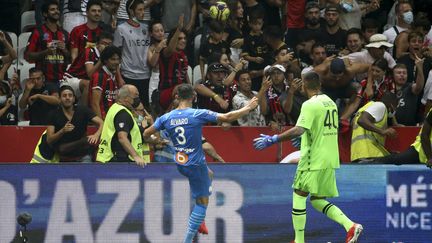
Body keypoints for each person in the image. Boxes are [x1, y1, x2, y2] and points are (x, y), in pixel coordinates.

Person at [252, 71, 363, 243]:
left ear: (305, 85)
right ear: (319, 85)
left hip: (314, 158)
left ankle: (299, 240)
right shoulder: (330, 102)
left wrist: (274, 139)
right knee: (317, 200)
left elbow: (299, 129)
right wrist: (303, 138)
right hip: (330, 158)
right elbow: (317, 129)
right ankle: (350, 226)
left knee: (299, 193)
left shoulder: (310, 104)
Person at [143, 83, 258, 243]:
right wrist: (249, 107)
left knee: (210, 174)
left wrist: (158, 140)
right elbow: (227, 117)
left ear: (177, 97)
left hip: (181, 162)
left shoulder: (166, 117)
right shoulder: (197, 113)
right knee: (202, 203)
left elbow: (146, 134)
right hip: (195, 164)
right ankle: (189, 238)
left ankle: (200, 218)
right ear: (194, 97)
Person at [43, 85, 103, 162]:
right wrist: (62, 131)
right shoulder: (53, 114)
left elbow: (101, 122)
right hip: (64, 157)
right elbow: (49, 140)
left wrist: (96, 135)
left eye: (70, 95)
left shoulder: (83, 110)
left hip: (83, 155)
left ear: (74, 99)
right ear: (60, 99)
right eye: (64, 96)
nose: (67, 98)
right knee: (62, 148)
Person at [97, 84, 149, 163]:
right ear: (126, 98)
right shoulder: (123, 113)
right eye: (135, 96)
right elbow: (122, 138)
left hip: (108, 158)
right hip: (120, 160)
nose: (137, 99)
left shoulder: (115, 107)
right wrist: (135, 156)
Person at [114, 0, 152, 109]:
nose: (143, 12)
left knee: (144, 108)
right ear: (131, 11)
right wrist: (119, 76)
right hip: (128, 75)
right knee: (129, 107)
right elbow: (116, 55)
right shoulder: (121, 29)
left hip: (145, 75)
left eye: (143, 9)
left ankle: (144, 126)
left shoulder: (147, 29)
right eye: (139, 10)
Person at [25, 0, 69, 84]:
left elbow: (71, 58)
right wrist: (46, 52)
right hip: (44, 81)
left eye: (57, 9)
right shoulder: (38, 32)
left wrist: (65, 50)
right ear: (45, 14)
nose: (56, 11)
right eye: (52, 9)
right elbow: (28, 56)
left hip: (63, 79)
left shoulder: (65, 34)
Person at [351, 92, 398, 161]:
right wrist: (383, 131)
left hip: (358, 155)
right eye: (395, 107)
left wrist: (388, 152)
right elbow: (362, 120)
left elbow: (369, 136)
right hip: (369, 155)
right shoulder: (380, 106)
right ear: (391, 105)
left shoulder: (363, 109)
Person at [90, 45, 122, 119]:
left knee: (142, 119)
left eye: (118, 59)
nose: (116, 62)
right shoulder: (99, 76)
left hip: (114, 117)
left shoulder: (114, 76)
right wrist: (102, 125)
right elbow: (95, 104)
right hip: (104, 120)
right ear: (105, 60)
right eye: (113, 59)